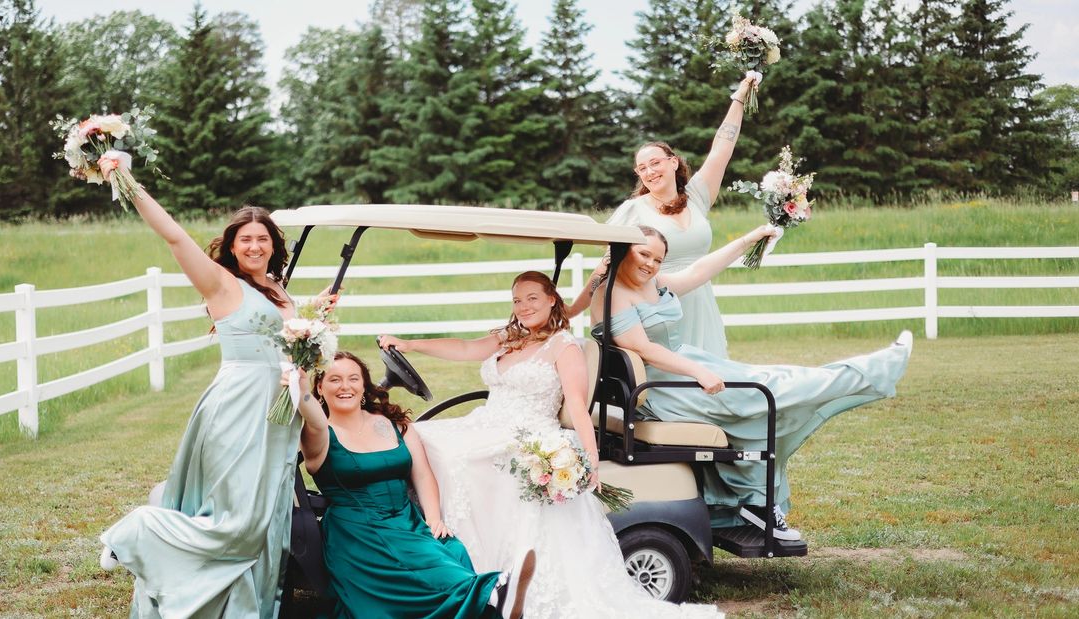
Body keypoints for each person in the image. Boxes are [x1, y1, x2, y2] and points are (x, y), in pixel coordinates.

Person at [379, 271, 724, 618]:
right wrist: (410, 345)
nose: (523, 306)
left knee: (454, 458)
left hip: (525, 435)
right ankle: (416, 548)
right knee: (418, 437)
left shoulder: (563, 346)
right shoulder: (511, 337)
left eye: (532, 298)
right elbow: (465, 348)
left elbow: (576, 404)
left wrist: (589, 457)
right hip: (486, 423)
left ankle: (466, 567)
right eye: (517, 300)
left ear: (551, 300)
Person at [591, 226, 913, 537]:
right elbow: (644, 348)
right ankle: (872, 372)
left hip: (682, 371)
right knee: (770, 390)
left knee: (773, 387)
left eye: (658, 259)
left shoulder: (652, 282)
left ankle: (755, 504)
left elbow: (699, 271)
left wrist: (749, 239)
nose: (650, 264)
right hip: (666, 389)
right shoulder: (613, 293)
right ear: (625, 250)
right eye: (644, 254)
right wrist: (697, 372)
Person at [96, 164, 303, 618]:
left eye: (263, 238)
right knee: (237, 520)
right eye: (245, 239)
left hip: (279, 411)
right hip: (238, 407)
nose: (254, 246)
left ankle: (239, 606)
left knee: (265, 514)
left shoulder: (277, 289)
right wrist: (125, 181)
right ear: (231, 246)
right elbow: (174, 237)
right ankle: (138, 532)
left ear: (274, 245)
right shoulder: (221, 283)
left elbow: (285, 338)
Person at [291, 352, 536, 619]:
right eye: (334, 380)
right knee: (417, 560)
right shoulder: (318, 433)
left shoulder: (393, 423)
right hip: (357, 530)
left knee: (451, 549)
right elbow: (313, 416)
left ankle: (492, 599)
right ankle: (492, 591)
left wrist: (433, 519)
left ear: (363, 385)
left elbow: (422, 475)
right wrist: (301, 390)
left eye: (353, 378)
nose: (345, 386)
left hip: (407, 520)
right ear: (319, 387)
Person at [569, 75, 762, 359]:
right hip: (656, 306)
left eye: (655, 163)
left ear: (673, 162)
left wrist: (739, 97)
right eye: (642, 168)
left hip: (700, 302)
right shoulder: (633, 210)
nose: (649, 172)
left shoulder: (697, 197)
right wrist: (573, 310)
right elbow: (605, 268)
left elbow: (722, 149)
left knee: (711, 370)